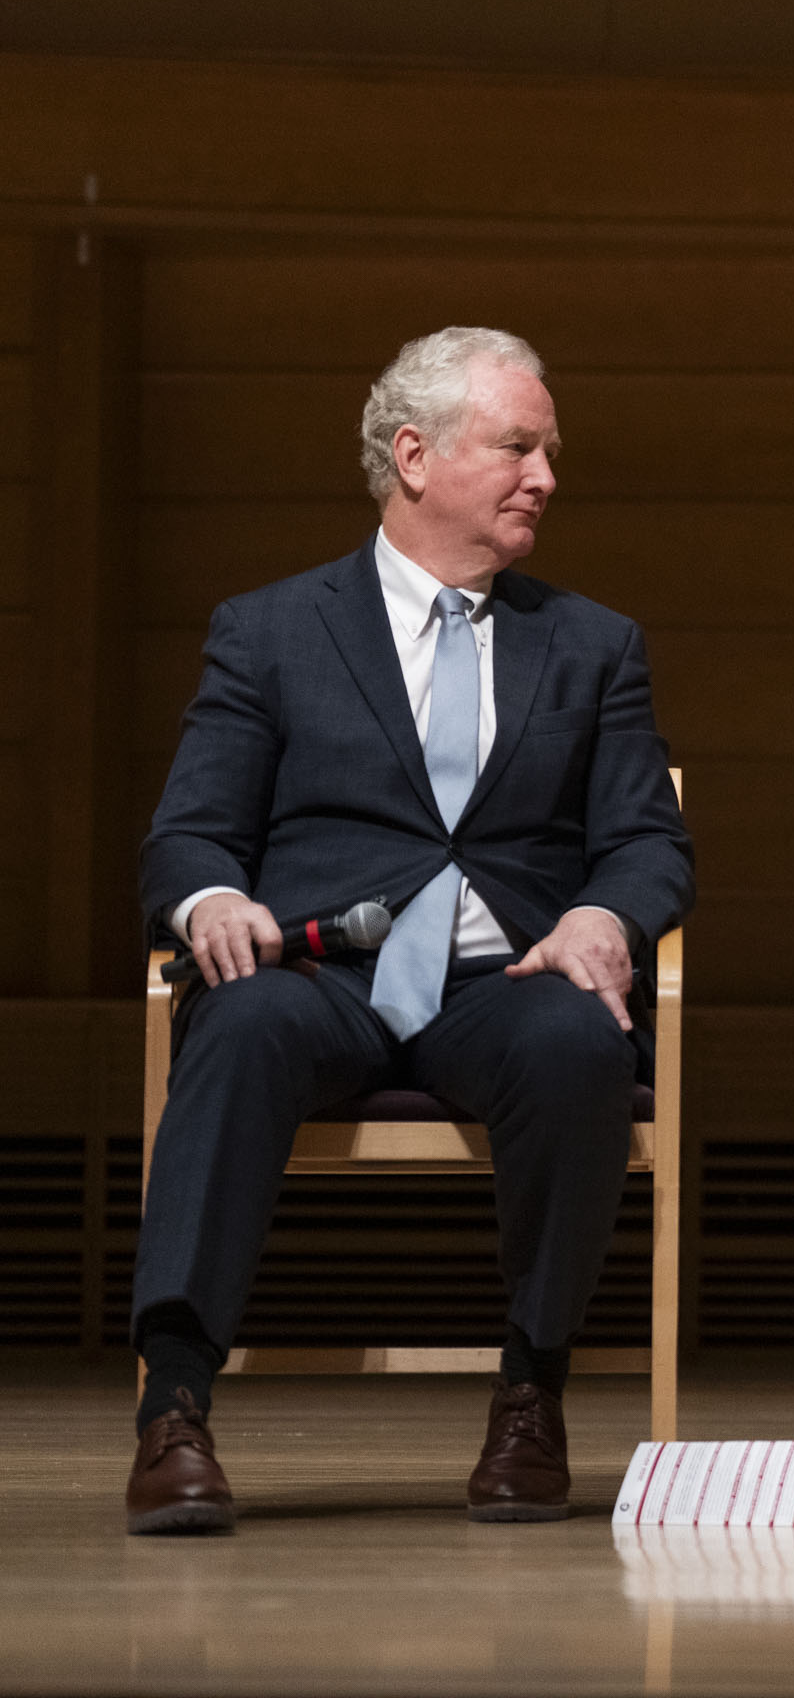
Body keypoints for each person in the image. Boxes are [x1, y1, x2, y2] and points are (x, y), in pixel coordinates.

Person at [126, 327, 694, 1536]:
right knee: (231, 1025)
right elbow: (186, 838)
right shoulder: (270, 630)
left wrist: (604, 910)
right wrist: (212, 900)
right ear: (415, 454)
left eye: (550, 451)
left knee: (579, 1043)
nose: (547, 474)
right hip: (318, 968)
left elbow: (649, 842)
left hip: (504, 976)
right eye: (519, 446)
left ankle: (531, 1394)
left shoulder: (594, 645)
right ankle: (174, 1404)